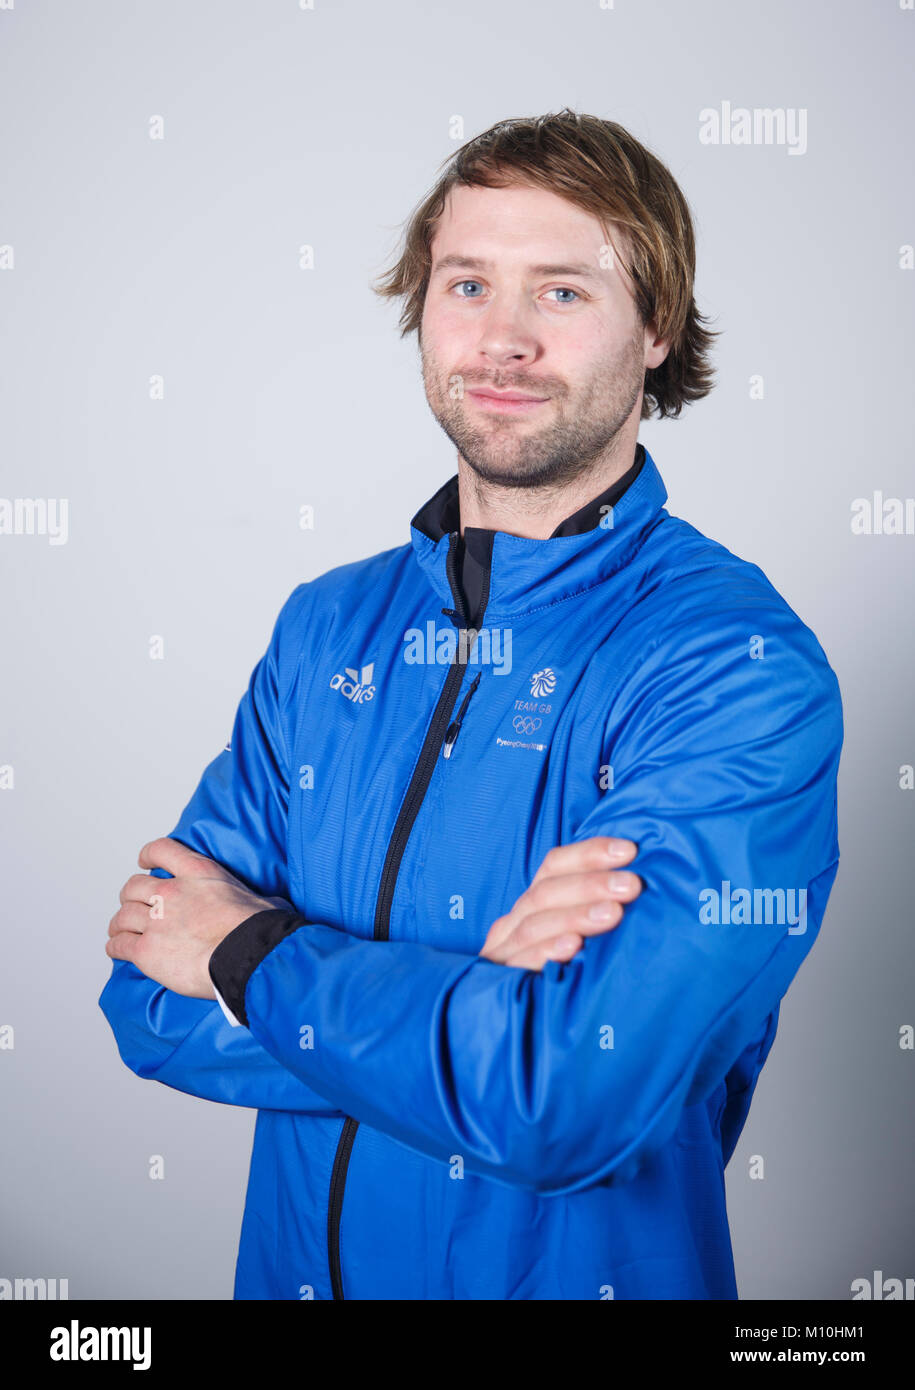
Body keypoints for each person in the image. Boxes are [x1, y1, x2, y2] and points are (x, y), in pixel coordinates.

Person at [100, 109, 843, 1300]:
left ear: (655, 328)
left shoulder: (733, 664)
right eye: (466, 285)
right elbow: (146, 998)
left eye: (561, 293)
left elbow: (564, 1096)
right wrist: (475, 1004)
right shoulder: (324, 628)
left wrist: (245, 950)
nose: (500, 340)